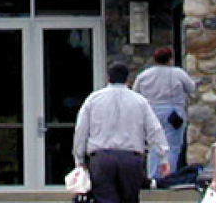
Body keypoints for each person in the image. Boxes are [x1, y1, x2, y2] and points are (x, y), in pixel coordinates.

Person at [72, 63, 169, 203]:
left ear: (108, 78)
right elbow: (155, 130)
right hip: (131, 159)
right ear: (127, 79)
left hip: (101, 158)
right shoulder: (139, 101)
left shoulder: (93, 100)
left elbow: (81, 131)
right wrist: (163, 157)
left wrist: (79, 159)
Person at [131, 47, 196, 179]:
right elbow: (191, 87)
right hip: (173, 112)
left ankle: (152, 175)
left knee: (154, 145)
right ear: (170, 59)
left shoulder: (144, 75)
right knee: (172, 145)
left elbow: (135, 92)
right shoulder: (177, 73)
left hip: (151, 111)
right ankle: (168, 176)